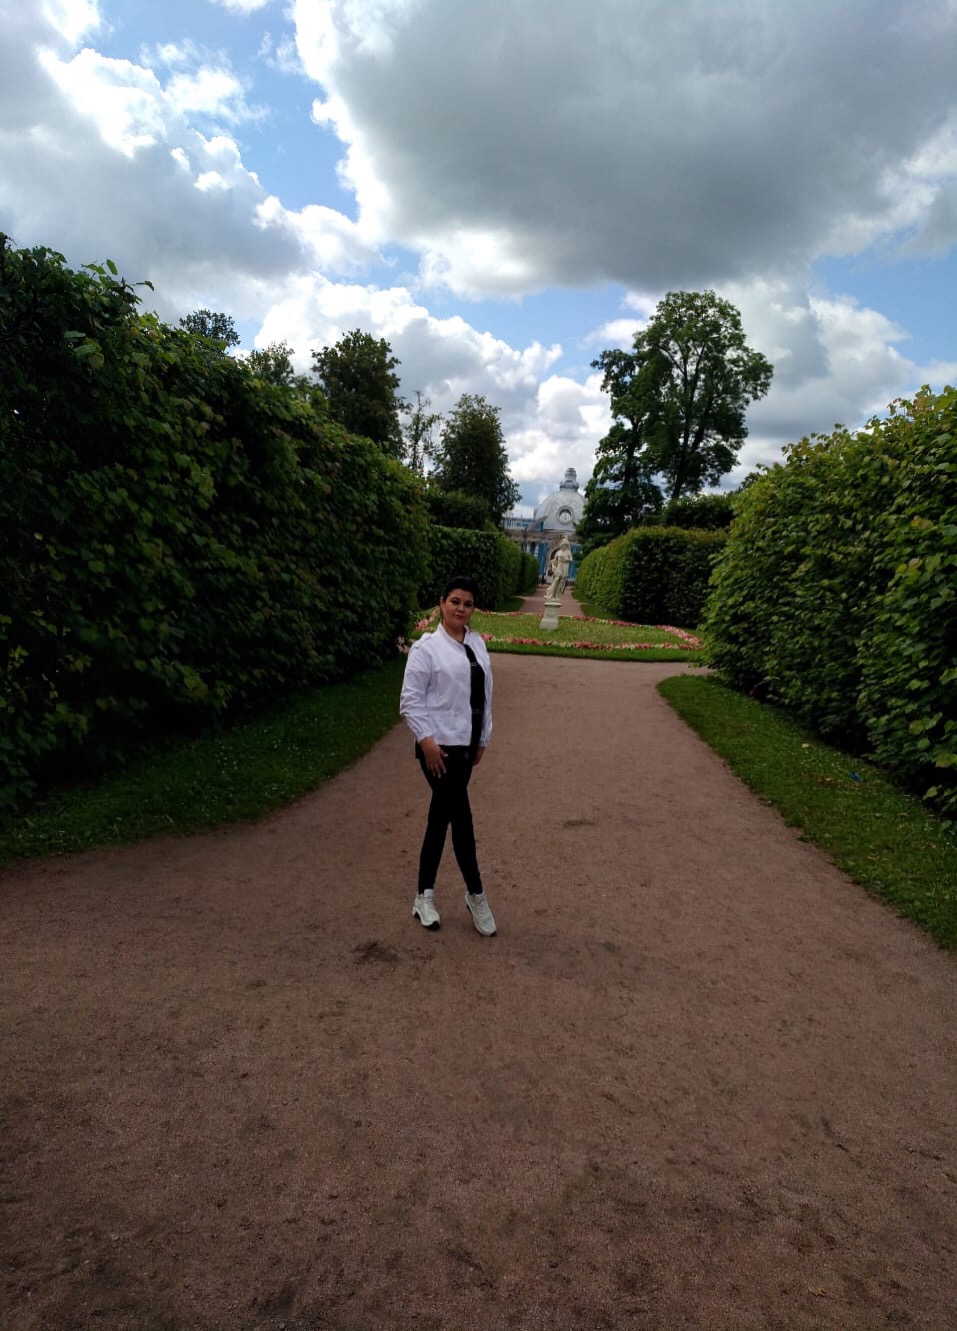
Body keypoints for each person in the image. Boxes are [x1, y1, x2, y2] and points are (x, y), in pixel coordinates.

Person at [399, 576, 496, 936]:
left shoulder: (477, 644)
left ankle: (423, 895)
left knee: (441, 818)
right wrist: (425, 741)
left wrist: (483, 737)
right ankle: (476, 894)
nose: (461, 609)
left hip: (466, 747)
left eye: (467, 604)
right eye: (455, 601)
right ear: (441, 603)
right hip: (438, 749)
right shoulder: (427, 649)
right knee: (461, 818)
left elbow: (485, 695)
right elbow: (410, 699)